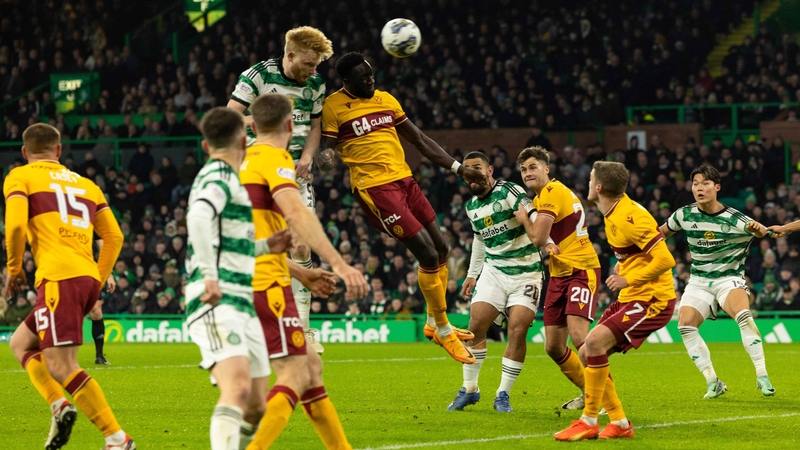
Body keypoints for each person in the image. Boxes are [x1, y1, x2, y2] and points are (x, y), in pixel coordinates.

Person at [318, 51, 487, 363]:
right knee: (426, 253)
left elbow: (420, 140)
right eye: (364, 78)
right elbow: (326, 150)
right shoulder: (333, 106)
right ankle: (444, 329)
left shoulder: (386, 99)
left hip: (405, 180)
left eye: (371, 75)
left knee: (442, 248)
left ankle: (433, 322)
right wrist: (325, 158)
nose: (371, 81)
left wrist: (458, 168)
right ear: (346, 82)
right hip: (375, 188)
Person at [241, 93, 368, 450]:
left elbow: (247, 238)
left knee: (310, 371)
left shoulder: (240, 162)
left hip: (255, 275)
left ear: (252, 126)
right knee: (295, 373)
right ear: (290, 126)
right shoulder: (274, 158)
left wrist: (300, 272)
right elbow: (297, 214)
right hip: (265, 284)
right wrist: (339, 264)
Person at [4, 123, 134, 449]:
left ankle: (117, 438)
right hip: (85, 276)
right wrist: (98, 283)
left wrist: (14, 268)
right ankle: (59, 405)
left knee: (63, 367)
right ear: (59, 151)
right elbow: (114, 237)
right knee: (21, 343)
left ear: (25, 152)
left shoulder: (21, 176)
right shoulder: (87, 185)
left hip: (59, 278)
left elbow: (17, 223)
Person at [227, 26, 333, 352]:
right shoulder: (256, 77)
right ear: (289, 56)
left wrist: (308, 158)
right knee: (257, 244)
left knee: (301, 246)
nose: (313, 71)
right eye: (308, 64)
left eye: (317, 65)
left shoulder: (315, 84)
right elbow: (227, 119)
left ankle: (302, 330)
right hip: (258, 171)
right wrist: (265, 123)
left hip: (295, 175)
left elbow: (316, 127)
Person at [554, 161, 676, 441]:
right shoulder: (614, 212)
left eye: (590, 180)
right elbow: (638, 252)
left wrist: (628, 279)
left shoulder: (628, 216)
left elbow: (666, 259)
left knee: (594, 343)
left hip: (652, 301)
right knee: (587, 352)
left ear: (598, 187)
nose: (587, 185)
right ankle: (620, 422)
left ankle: (588, 419)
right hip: (633, 296)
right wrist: (624, 265)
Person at [659, 166, 774, 398]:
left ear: (717, 187)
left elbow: (759, 232)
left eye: (705, 183)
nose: (699, 188)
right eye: (695, 184)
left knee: (743, 315)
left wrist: (758, 230)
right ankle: (713, 381)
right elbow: (660, 234)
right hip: (699, 280)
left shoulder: (733, 218)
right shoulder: (683, 214)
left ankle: (762, 375)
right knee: (685, 325)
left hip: (728, 278)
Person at [447, 151, 544, 413]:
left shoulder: (510, 190)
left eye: (477, 168)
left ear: (489, 171)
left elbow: (533, 215)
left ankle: (503, 394)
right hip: (494, 271)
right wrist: (471, 273)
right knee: (475, 325)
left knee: (517, 330)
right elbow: (479, 240)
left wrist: (547, 240)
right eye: (466, 169)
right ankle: (469, 389)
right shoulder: (471, 207)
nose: (471, 173)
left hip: (526, 271)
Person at [513, 146, 602, 411]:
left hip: (581, 270)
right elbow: (548, 240)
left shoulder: (551, 192)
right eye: (523, 169)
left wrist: (524, 219)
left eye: (532, 167)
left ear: (546, 169)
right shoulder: (544, 197)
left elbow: (538, 239)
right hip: (559, 272)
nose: (528, 173)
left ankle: (604, 399)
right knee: (553, 346)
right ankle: (589, 391)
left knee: (580, 338)